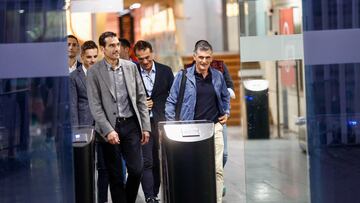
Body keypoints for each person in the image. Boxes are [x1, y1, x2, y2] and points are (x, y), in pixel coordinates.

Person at [87, 31, 151, 203]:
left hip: (131, 124)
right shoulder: (94, 72)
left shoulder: (131, 67)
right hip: (109, 127)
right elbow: (95, 106)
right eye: (112, 45)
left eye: (117, 44)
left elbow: (140, 98)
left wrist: (145, 127)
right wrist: (108, 130)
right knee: (115, 176)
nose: (117, 48)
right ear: (103, 49)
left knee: (136, 169)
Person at [165, 40, 230, 203]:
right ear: (194, 57)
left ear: (211, 57)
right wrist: (173, 126)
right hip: (190, 129)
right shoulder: (183, 76)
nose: (204, 61)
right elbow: (171, 101)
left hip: (214, 128)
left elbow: (225, 96)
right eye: (201, 57)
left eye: (208, 57)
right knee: (192, 169)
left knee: (217, 169)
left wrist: (226, 111)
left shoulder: (217, 76)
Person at [134, 40, 174, 203]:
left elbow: (173, 96)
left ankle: (155, 192)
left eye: (147, 58)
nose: (144, 62)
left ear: (153, 54)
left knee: (159, 160)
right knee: (147, 160)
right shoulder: (132, 71)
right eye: (140, 59)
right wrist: (141, 103)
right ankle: (150, 196)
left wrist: (171, 120)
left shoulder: (165, 71)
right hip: (142, 124)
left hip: (162, 122)